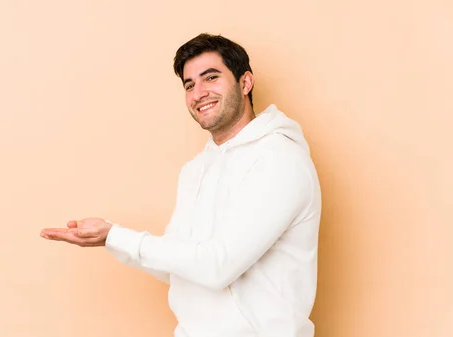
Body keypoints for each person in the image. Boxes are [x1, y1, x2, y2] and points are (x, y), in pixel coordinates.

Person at [41, 33, 322, 337]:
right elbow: (181, 268)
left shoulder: (280, 159)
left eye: (210, 77)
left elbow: (218, 266)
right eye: (189, 85)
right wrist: (110, 239)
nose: (199, 93)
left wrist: (117, 235)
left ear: (245, 83)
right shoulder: (195, 170)